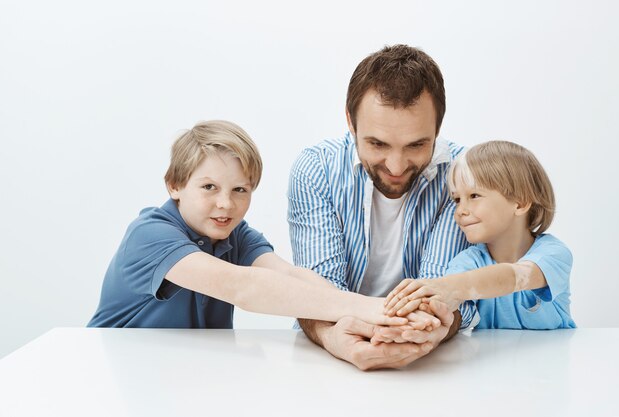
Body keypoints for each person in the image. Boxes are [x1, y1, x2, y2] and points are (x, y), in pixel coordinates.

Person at [88, 120, 417, 329]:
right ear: (174, 185)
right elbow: (242, 286)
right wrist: (373, 308)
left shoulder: (235, 235)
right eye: (209, 187)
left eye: (240, 190)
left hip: (184, 375)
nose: (226, 204)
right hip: (118, 372)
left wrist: (371, 319)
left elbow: (288, 275)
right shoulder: (150, 234)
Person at [288, 44, 478, 370]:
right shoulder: (316, 169)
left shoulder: (462, 175)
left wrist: (434, 327)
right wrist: (336, 337)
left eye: (417, 144)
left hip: (436, 366)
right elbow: (318, 295)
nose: (396, 165)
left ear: (437, 129)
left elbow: (442, 292)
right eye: (377, 143)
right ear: (351, 121)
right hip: (322, 364)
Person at [383, 141, 576, 330]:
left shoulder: (553, 253)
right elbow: (445, 305)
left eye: (474, 196)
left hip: (555, 358)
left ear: (519, 203)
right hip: (488, 360)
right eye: (457, 199)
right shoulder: (468, 261)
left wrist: (449, 287)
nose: (460, 211)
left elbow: (515, 276)